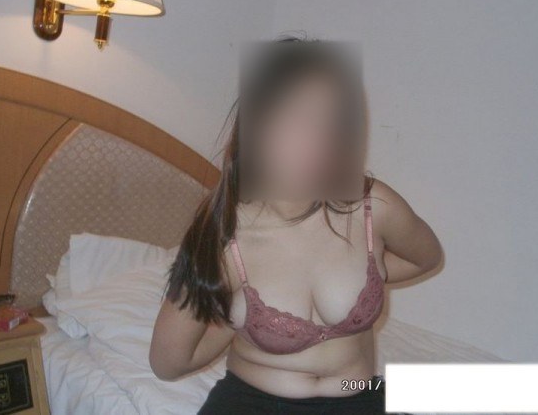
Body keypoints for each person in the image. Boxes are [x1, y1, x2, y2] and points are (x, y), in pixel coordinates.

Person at [150, 36, 444, 415]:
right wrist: (232, 317)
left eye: (331, 121)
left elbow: (426, 257)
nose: (318, 140)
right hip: (254, 402)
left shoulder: (373, 207)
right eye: (297, 118)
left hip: (359, 392)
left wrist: (372, 274)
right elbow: (168, 362)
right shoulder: (225, 236)